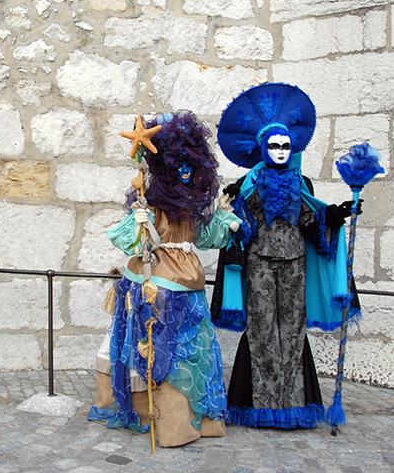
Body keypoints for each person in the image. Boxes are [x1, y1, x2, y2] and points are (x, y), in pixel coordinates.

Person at [211, 82, 361, 429]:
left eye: (285, 146)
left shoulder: (302, 183)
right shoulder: (246, 184)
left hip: (295, 262)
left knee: (292, 329)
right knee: (262, 329)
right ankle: (261, 407)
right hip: (259, 264)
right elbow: (236, 227)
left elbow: (313, 219)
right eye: (273, 146)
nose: (279, 151)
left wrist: (341, 213)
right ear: (263, 148)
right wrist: (231, 210)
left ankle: (291, 406)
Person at [88, 110, 241, 448]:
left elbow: (205, 238)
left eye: (190, 164)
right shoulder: (154, 202)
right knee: (152, 346)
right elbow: (129, 239)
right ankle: (156, 417)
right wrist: (139, 222)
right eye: (178, 163)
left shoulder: (194, 204)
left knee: (189, 350)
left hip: (187, 281)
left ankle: (191, 419)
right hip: (153, 277)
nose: (185, 170)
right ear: (168, 165)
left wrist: (224, 221)